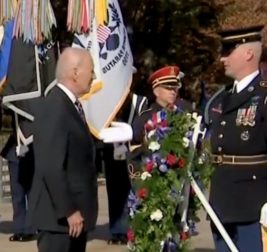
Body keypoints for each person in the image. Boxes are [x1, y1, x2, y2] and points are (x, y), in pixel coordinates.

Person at [204, 25, 267, 252]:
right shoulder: (222, 97)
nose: (222, 57)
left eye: (228, 51)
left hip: (253, 203)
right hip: (223, 200)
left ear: (248, 53)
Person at [28, 47, 98, 252]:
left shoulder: (70, 105)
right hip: (58, 220)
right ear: (75, 72)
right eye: (91, 71)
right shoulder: (55, 106)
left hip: (72, 220)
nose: (93, 76)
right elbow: (50, 165)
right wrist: (69, 210)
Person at [103, 91, 148, 245]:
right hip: (112, 152)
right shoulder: (106, 100)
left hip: (133, 153)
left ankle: (133, 228)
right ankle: (116, 230)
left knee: (133, 191)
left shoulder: (140, 101)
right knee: (114, 191)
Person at [132, 65, 191, 144]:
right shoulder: (144, 118)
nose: (173, 92)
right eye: (168, 88)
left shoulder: (184, 111)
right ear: (156, 91)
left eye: (174, 88)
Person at [0, 113, 35, 242]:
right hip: (14, 149)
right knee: (17, 193)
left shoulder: (30, 102)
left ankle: (30, 228)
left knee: (31, 191)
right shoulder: (7, 104)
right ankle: (19, 228)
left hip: (30, 146)